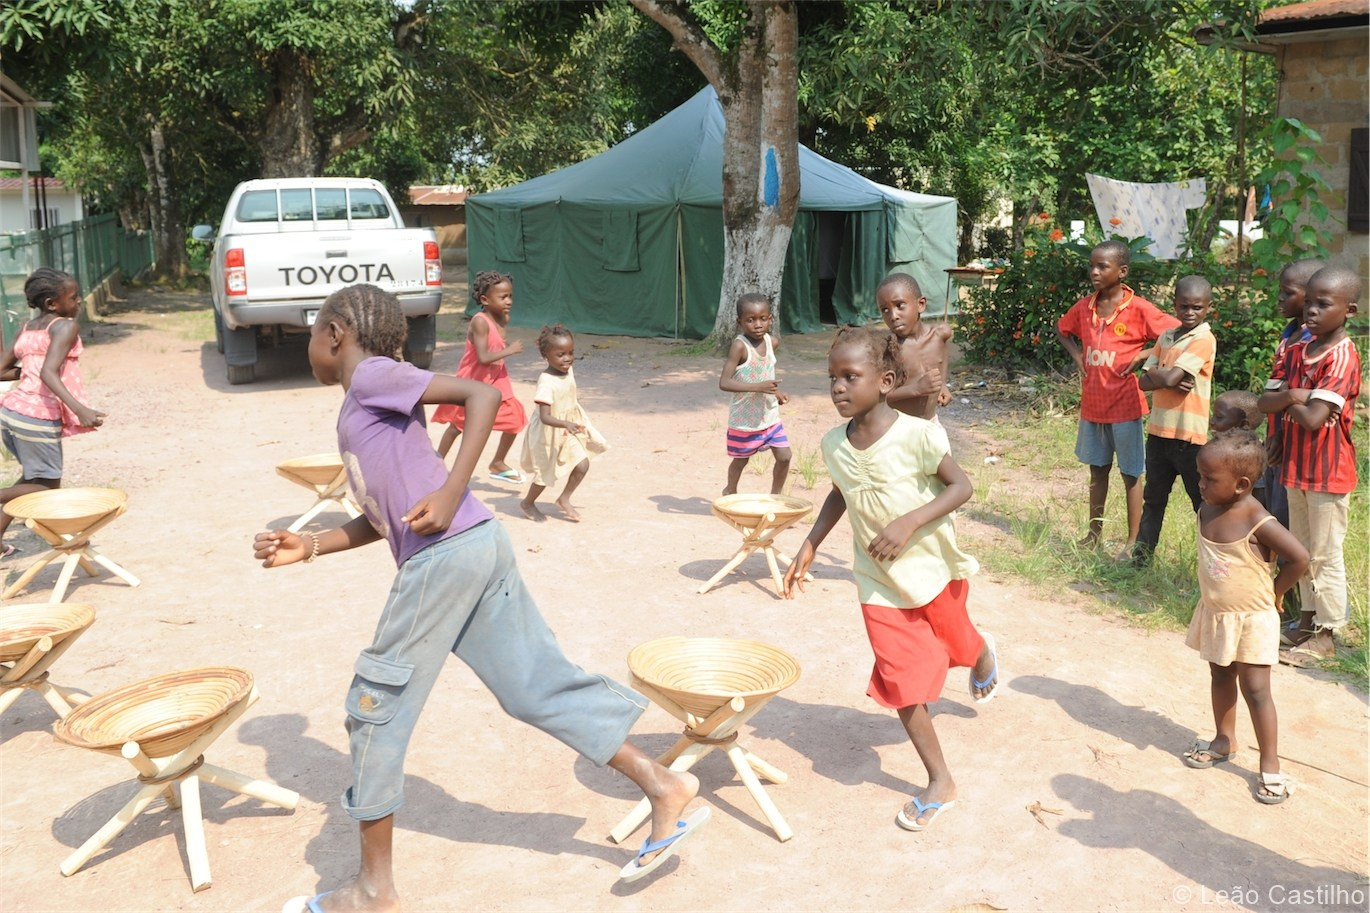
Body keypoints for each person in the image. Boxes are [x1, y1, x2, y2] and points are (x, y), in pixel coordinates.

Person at [258, 285, 708, 913]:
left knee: (373, 709)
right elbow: (389, 516)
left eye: (312, 333)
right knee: (532, 684)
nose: (309, 347)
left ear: (336, 333)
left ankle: (371, 892)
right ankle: (661, 784)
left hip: (446, 558)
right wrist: (310, 545)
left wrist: (450, 492)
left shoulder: (370, 379)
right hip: (476, 546)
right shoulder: (367, 402)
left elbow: (485, 394)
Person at [782, 326, 998, 832]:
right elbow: (842, 491)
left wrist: (908, 522)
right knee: (901, 681)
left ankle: (981, 651)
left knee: (957, 643)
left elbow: (960, 486)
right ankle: (940, 780)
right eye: (831, 377)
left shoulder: (917, 434)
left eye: (849, 377)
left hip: (930, 569)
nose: (837, 387)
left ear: (884, 381)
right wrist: (811, 542)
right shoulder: (834, 443)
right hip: (877, 581)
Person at [1181, 430, 1308, 806]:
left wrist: (1277, 591)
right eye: (1200, 475)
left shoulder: (1258, 520)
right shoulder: (1207, 508)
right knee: (1220, 674)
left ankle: (1270, 763)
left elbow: (1299, 557)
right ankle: (1224, 739)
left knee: (1256, 689)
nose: (1200, 484)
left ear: (1241, 485)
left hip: (1252, 619)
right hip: (1219, 615)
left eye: (1209, 479)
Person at [1257, 265, 1361, 663]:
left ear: (1348, 311)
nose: (1312, 311)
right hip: (1296, 467)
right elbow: (1266, 402)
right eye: (1310, 303)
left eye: (1324, 304)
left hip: (1328, 473)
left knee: (1325, 554)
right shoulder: (1299, 349)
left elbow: (1316, 419)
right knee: (1301, 550)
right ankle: (1304, 623)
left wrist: (1293, 398)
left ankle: (1327, 634)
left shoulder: (1342, 355)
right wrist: (1296, 397)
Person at [1056, 241, 1179, 556]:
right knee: (1097, 471)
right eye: (1092, 266)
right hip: (1092, 406)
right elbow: (1062, 329)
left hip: (1125, 407)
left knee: (1130, 474)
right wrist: (1077, 356)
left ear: (1122, 271)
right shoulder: (1085, 307)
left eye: (1102, 267)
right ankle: (1093, 534)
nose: (1094, 272)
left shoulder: (1139, 309)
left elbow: (1179, 333)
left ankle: (1132, 541)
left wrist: (1145, 354)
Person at [0, 268, 105, 556]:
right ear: (52, 304)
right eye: (73, 297)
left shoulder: (27, 328)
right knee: (47, 489)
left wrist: (27, 371)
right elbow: (49, 372)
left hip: (11, 414)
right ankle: (60, 536)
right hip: (36, 417)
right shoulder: (65, 327)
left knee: (32, 481)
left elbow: (2, 369)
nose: (80, 300)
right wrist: (80, 409)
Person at [1130, 276, 1216, 567]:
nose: (1190, 312)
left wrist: (1162, 376)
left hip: (1189, 437)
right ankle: (1140, 561)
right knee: (1153, 500)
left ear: (1208, 308)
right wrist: (1165, 377)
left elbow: (1161, 376)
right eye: (1184, 306)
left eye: (1197, 307)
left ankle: (1214, 566)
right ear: (1174, 305)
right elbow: (1145, 382)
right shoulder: (1166, 337)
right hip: (1158, 432)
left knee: (1202, 505)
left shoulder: (1204, 339)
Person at [432, 270, 527, 483]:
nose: (509, 301)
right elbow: (483, 357)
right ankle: (436, 463)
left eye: (510, 296)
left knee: (515, 419)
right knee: (458, 425)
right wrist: (510, 350)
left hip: (497, 379)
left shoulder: (503, 317)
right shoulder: (480, 322)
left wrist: (504, 354)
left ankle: (497, 463)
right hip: (474, 380)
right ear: (484, 299)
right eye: (503, 297)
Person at [518, 324, 607, 523]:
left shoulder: (569, 370)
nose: (567, 358)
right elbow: (544, 417)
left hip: (568, 427)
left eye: (570, 353)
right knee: (545, 474)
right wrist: (564, 423)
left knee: (582, 464)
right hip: (547, 433)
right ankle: (528, 503)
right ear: (546, 356)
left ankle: (564, 498)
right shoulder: (547, 382)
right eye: (560, 354)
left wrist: (573, 421)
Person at [719, 293, 791, 495]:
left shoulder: (772, 343)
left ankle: (775, 497)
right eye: (750, 320)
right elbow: (724, 382)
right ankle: (730, 490)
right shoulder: (739, 347)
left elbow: (766, 374)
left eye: (763, 319)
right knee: (741, 461)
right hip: (745, 420)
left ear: (770, 319)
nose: (758, 325)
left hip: (769, 417)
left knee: (785, 456)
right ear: (739, 321)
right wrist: (760, 387)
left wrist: (776, 393)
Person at [877, 273, 954, 422]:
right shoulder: (887, 349)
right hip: (897, 427)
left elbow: (942, 354)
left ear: (921, 304)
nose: (893, 316)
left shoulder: (940, 334)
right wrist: (916, 389)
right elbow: (877, 395)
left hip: (931, 422)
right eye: (885, 310)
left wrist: (942, 384)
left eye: (900, 306)